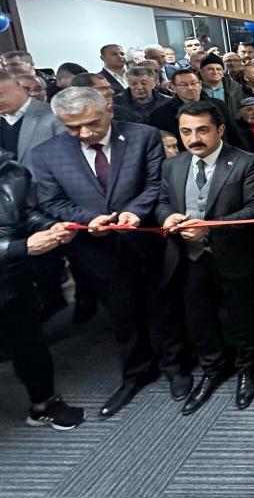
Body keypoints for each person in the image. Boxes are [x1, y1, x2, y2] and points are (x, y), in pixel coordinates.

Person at [33, 87, 190, 419]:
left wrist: (135, 211)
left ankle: (175, 367)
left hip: (147, 243)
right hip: (96, 250)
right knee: (122, 316)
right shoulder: (47, 153)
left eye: (92, 123)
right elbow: (51, 201)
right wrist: (88, 219)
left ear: (109, 110)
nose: (85, 133)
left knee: (162, 309)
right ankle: (136, 373)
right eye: (73, 127)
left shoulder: (143, 136)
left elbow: (155, 184)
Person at [157, 101, 254, 415]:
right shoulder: (173, 165)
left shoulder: (245, 162)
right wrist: (167, 218)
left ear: (219, 129)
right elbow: (162, 201)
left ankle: (246, 368)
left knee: (240, 317)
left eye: (202, 130)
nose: (194, 138)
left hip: (232, 254)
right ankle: (212, 369)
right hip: (187, 257)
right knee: (199, 318)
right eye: (186, 132)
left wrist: (209, 227)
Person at [0, 151, 84, 430]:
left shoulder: (12, 171)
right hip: (16, 255)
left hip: (13, 277)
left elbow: (27, 213)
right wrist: (20, 247)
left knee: (29, 344)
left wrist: (52, 227)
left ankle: (43, 404)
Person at [149, 69, 244, 151]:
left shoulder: (218, 105)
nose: (190, 88)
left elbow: (234, 134)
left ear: (200, 84)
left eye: (193, 83)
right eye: (183, 85)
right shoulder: (161, 114)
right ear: (173, 87)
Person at [199, 53, 243, 118]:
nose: (215, 72)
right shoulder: (195, 88)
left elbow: (239, 109)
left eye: (218, 69)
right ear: (201, 72)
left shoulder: (234, 87)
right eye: (210, 69)